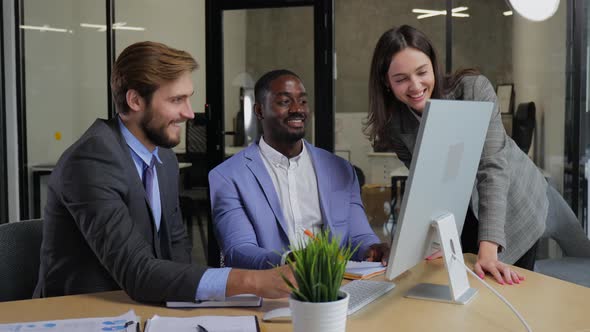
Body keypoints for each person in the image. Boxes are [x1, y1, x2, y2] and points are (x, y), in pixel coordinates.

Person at [34, 41, 294, 303]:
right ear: (135, 100)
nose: (189, 113)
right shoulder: (90, 161)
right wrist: (253, 281)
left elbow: (177, 248)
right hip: (81, 313)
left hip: (143, 305)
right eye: (176, 100)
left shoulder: (164, 158)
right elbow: (137, 271)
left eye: (188, 97)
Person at [366, 25, 590, 285]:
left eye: (422, 72)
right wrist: (429, 243)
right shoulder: (396, 125)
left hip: (512, 201)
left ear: (433, 65)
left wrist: (489, 247)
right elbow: (429, 186)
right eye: (401, 79)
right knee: (466, 288)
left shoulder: (472, 90)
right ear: (386, 81)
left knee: (503, 286)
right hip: (463, 208)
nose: (415, 85)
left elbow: (492, 167)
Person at [209, 69, 389, 269]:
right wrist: (290, 261)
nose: (297, 109)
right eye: (285, 102)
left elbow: (358, 236)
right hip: (271, 291)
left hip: (338, 287)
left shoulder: (341, 170)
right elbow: (239, 250)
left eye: (302, 101)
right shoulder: (228, 177)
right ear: (259, 111)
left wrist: (373, 248)